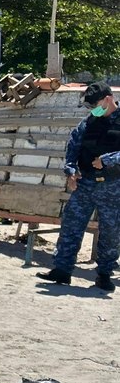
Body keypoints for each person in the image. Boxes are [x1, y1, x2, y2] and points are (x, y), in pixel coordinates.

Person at [37, 81, 119, 293]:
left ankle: (104, 275)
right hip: (85, 184)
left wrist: (108, 160)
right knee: (71, 225)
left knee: (110, 232)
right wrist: (70, 172)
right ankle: (62, 270)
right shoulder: (88, 123)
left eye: (96, 105)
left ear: (108, 99)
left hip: (112, 186)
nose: (94, 110)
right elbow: (73, 147)